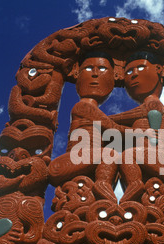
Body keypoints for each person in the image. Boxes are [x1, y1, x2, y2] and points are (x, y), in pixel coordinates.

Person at [48, 51, 128, 201]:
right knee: (109, 154)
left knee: (118, 163)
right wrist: (145, 133)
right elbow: (115, 129)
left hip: (84, 166)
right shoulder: (83, 107)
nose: (95, 74)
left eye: (102, 69)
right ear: (77, 75)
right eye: (89, 69)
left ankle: (99, 195)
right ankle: (103, 191)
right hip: (62, 166)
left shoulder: (96, 114)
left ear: (114, 77)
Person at [110, 51, 164, 202]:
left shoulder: (152, 104)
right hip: (153, 165)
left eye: (140, 68)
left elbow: (114, 120)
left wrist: (91, 118)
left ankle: (135, 186)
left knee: (127, 155)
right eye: (129, 71)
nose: (133, 75)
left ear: (159, 69)